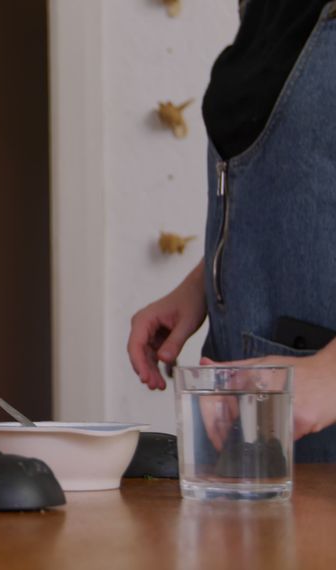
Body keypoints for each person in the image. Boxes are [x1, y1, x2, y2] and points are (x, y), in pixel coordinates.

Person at [127, 0, 336, 462]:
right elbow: (294, 187)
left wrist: (331, 373)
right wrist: (199, 286)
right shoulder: (263, 12)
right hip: (248, 431)